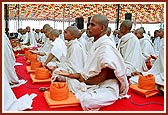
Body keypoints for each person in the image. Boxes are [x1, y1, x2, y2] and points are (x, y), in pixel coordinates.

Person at [55, 14, 129, 111]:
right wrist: (75, 76)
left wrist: (81, 79)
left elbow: (101, 78)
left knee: (87, 101)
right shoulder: (96, 43)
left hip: (107, 86)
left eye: (92, 25)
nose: (88, 27)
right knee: (69, 80)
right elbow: (91, 71)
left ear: (102, 28)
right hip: (93, 82)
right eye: (89, 24)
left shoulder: (105, 47)